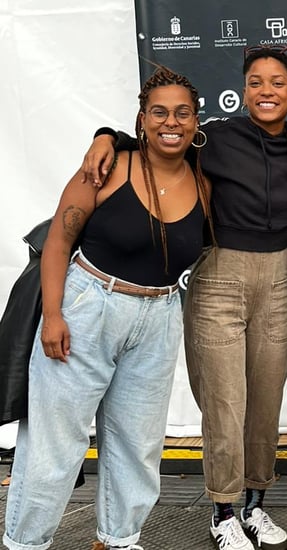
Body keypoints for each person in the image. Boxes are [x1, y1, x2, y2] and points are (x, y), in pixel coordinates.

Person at [80, 46, 287, 550]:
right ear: (244, 89)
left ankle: (255, 506)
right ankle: (223, 511)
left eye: (277, 83)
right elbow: (158, 142)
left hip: (278, 282)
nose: (266, 91)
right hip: (218, 281)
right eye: (256, 82)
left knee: (266, 403)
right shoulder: (214, 138)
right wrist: (107, 136)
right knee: (225, 403)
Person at [3, 67, 211, 550]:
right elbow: (58, 241)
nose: (170, 122)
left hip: (159, 317)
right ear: (141, 119)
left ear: (197, 120)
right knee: (57, 445)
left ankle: (119, 540)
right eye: (159, 112)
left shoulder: (203, 184)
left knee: (137, 447)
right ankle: (25, 544)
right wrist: (53, 316)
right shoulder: (110, 166)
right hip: (87, 306)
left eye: (182, 113)